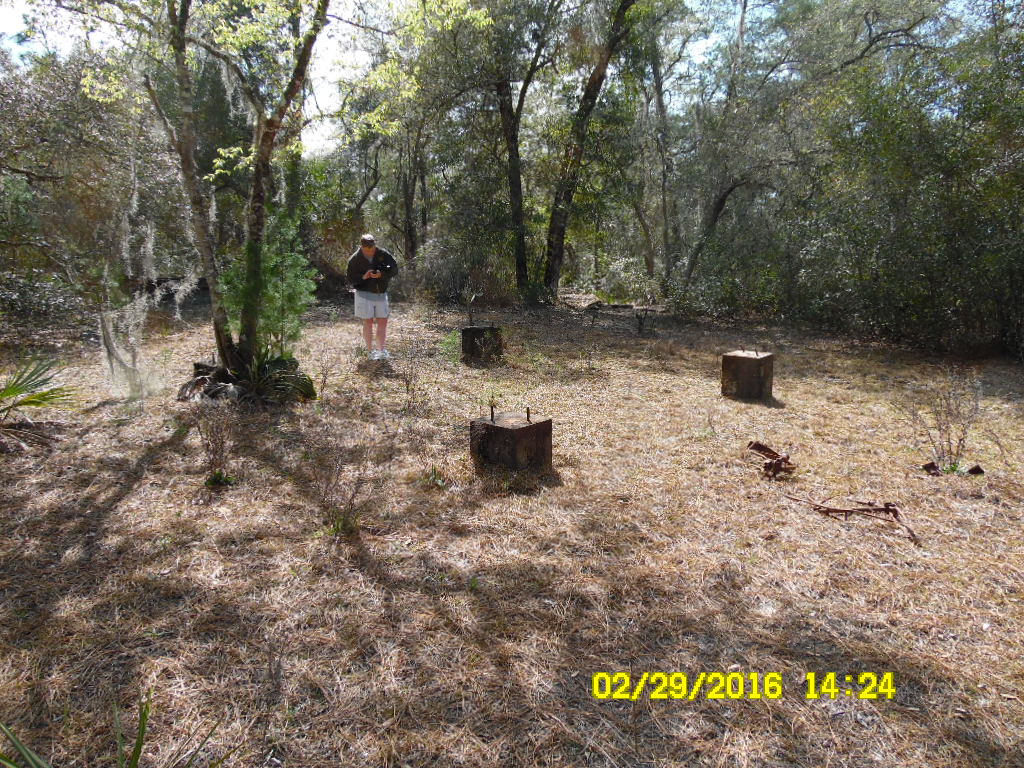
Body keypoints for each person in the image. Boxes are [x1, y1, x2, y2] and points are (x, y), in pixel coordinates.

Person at [346, 233, 399, 360]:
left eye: (372, 247)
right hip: (363, 294)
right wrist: (363, 277)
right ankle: (370, 352)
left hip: (381, 293)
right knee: (368, 322)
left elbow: (394, 269)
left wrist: (381, 274)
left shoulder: (383, 254)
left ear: (375, 244)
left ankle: (381, 351)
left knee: (383, 322)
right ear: (362, 246)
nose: (370, 250)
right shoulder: (354, 259)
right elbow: (350, 279)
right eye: (367, 248)